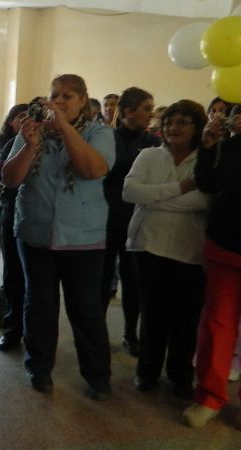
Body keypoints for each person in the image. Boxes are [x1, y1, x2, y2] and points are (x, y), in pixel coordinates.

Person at [2, 74, 115, 401]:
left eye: (68, 96)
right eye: (55, 95)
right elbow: (10, 178)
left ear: (82, 101)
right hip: (35, 234)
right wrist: (29, 145)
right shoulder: (32, 131)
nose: (60, 101)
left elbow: (93, 170)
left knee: (86, 309)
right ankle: (38, 368)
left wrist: (64, 128)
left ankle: (97, 376)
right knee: (39, 304)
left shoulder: (99, 133)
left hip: (83, 238)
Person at [123, 100, 210, 399]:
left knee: (185, 319)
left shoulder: (207, 160)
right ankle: (146, 371)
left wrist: (154, 198)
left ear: (197, 128)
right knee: (153, 315)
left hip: (191, 251)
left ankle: (180, 376)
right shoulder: (148, 155)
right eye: (170, 121)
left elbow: (206, 201)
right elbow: (130, 192)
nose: (174, 127)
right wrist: (180, 188)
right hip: (148, 246)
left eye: (183, 122)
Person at [182, 101, 241, 428]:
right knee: (217, 326)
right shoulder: (230, 147)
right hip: (226, 246)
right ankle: (209, 396)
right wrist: (206, 147)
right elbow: (209, 184)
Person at [100, 87, 160, 358]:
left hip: (135, 218)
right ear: (127, 112)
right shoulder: (106, 139)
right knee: (101, 279)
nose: (150, 115)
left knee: (131, 279)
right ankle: (96, 331)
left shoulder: (152, 143)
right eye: (146, 109)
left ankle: (129, 333)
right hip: (103, 216)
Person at [0, 103, 30, 330]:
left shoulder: (38, 143)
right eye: (19, 117)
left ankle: (17, 317)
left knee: (21, 271)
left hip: (25, 211)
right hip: (4, 207)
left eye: (28, 117)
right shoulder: (2, 144)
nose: (23, 121)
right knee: (11, 266)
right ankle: (4, 310)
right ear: (11, 120)